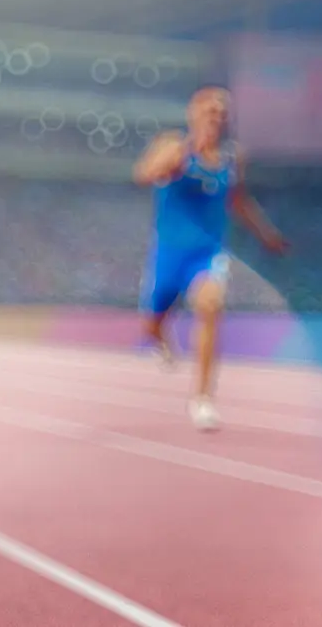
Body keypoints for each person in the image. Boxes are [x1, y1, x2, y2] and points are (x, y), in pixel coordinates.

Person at [133, 86, 287, 430]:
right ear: (193, 113)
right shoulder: (174, 146)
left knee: (210, 305)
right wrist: (167, 163)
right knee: (151, 323)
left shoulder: (233, 159)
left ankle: (202, 399)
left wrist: (267, 234)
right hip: (169, 253)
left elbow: (238, 201)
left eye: (222, 112)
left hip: (207, 253)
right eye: (209, 110)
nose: (216, 117)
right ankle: (160, 338)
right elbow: (142, 175)